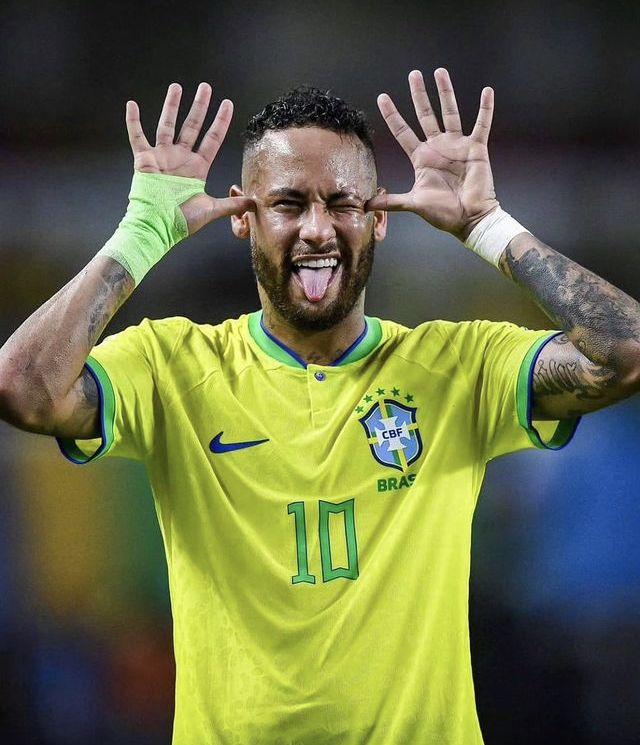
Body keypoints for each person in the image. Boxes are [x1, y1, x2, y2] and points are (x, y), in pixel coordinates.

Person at [0, 68, 638, 744]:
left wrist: (489, 225)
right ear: (243, 219)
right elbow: (23, 387)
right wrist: (138, 237)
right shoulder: (172, 367)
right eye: (288, 203)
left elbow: (624, 352)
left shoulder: (459, 367)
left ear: (378, 218)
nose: (317, 228)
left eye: (342, 202)